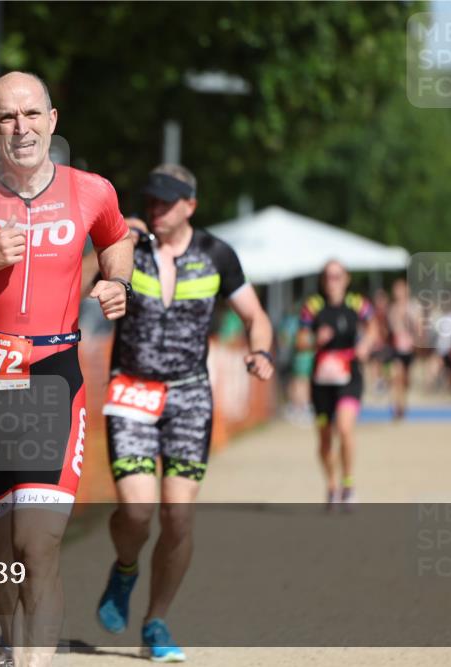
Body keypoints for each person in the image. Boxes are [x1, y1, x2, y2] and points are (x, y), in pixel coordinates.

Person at [0, 71, 133, 667]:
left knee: (35, 547)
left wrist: (118, 282)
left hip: (51, 377)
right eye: (8, 117)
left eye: (32, 114)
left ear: (52, 120)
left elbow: (117, 239)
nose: (22, 128)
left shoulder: (91, 191)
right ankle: (13, 643)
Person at [92, 164, 274, 663]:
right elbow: (80, 280)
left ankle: (156, 621)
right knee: (136, 511)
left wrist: (261, 351)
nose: (156, 208)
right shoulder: (129, 247)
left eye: (167, 201)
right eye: (151, 199)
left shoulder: (217, 254)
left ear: (190, 205)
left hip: (189, 396)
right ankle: (125, 569)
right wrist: (115, 241)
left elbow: (255, 317)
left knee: (178, 515)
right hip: (131, 390)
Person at [296, 260, 378, 508]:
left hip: (349, 375)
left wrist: (366, 345)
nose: (332, 282)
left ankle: (348, 484)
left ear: (346, 279)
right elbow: (299, 341)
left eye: (337, 276)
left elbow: (374, 327)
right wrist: (314, 339)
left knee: (344, 428)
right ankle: (332, 484)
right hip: (322, 380)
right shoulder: (313, 306)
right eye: (328, 277)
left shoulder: (357, 303)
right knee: (324, 439)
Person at [386, 278, 422, 419]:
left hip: (410, 348)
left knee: (406, 380)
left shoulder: (413, 307)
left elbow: (419, 328)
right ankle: (397, 407)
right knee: (397, 377)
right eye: (396, 289)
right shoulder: (392, 308)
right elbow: (390, 328)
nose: (398, 292)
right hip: (396, 349)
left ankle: (403, 403)